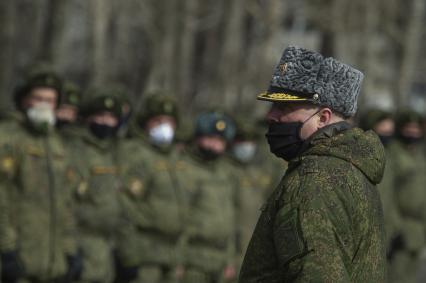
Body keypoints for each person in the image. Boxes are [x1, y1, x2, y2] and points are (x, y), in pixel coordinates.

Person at [239, 46, 386, 282]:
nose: (271, 115)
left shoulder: (314, 182)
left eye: (284, 107)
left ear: (323, 118)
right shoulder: (350, 168)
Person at [0, 70, 81, 283]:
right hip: (17, 258)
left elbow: (67, 203)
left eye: (50, 100)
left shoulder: (57, 142)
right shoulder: (8, 137)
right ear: (24, 100)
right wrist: (6, 249)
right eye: (38, 98)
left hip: (52, 263)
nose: (44, 105)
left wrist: (69, 250)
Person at [115, 94, 185, 283]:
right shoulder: (135, 153)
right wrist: (128, 256)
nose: (164, 127)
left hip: (170, 255)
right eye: (158, 121)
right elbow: (124, 208)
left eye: (169, 121)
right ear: (145, 123)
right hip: (144, 256)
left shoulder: (174, 157)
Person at [68, 87, 126, 283]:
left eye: (111, 117)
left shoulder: (114, 152)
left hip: (106, 247)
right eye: (100, 115)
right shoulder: (76, 148)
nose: (105, 122)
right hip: (81, 243)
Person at [176, 111, 238, 283]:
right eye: (210, 138)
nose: (214, 145)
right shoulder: (184, 168)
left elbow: (228, 219)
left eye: (220, 141)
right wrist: (178, 261)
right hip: (193, 260)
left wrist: (229, 260)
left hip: (219, 260)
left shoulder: (225, 171)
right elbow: (179, 218)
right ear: (198, 138)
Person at [386, 110, 426, 283]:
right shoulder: (392, 154)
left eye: (416, 128)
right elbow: (388, 195)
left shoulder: (419, 153)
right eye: (409, 128)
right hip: (400, 228)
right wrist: (396, 228)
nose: (413, 132)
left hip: (418, 229)